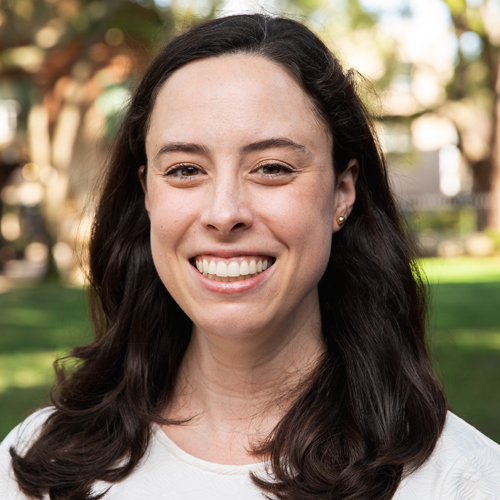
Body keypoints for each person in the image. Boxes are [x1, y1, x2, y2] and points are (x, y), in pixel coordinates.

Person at [1, 13, 500, 500]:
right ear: (147, 194)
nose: (224, 213)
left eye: (273, 167)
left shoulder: (459, 481)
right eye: (184, 170)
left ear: (343, 192)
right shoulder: (39, 466)